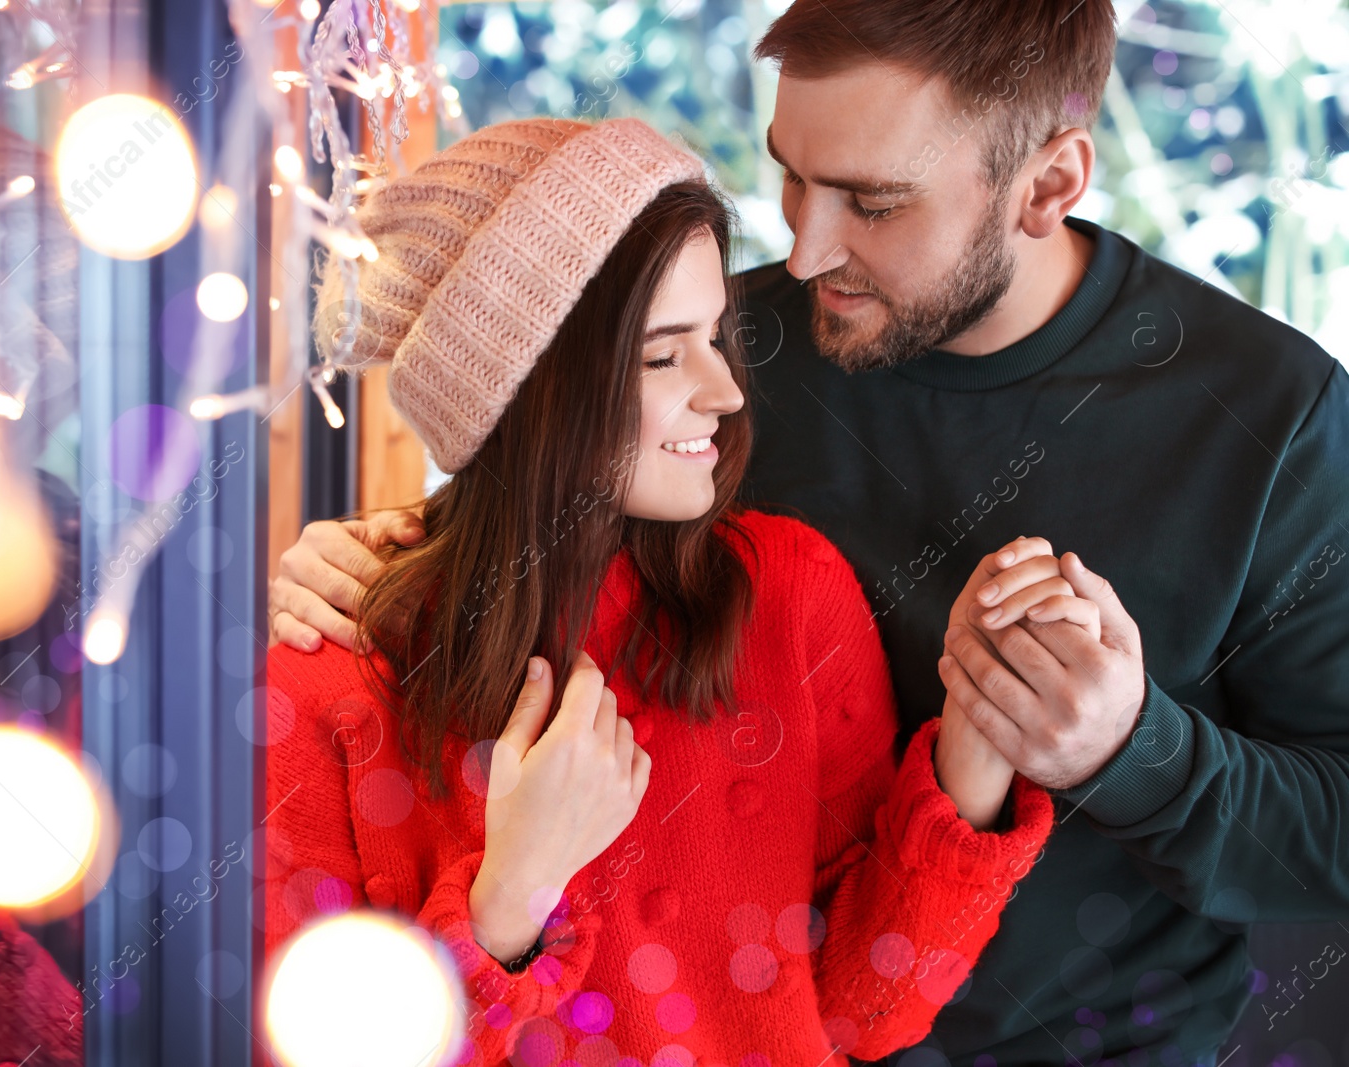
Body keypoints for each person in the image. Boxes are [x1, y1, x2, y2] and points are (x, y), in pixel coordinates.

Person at [269, 1, 1349, 1065]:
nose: (802, 250)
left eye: (871, 203)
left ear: (1050, 183)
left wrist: (1128, 748)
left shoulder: (1267, 413)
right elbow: (537, 458)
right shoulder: (725, 344)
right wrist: (386, 558)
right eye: (791, 175)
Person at [263, 117, 1059, 1067]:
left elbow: (864, 1009)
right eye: (661, 354)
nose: (723, 389)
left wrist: (975, 742)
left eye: (716, 336)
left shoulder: (789, 593)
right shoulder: (335, 667)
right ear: (526, 390)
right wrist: (511, 896)